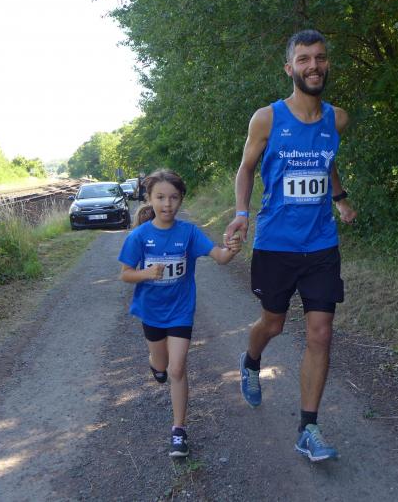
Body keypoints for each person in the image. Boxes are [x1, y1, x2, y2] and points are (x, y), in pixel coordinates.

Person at [224, 29, 357, 463]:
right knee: (274, 324)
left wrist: (340, 199)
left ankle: (308, 428)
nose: (313, 66)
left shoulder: (337, 119)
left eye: (320, 57)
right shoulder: (267, 119)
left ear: (327, 63)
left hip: (321, 244)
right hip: (276, 244)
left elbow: (326, 160)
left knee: (321, 332)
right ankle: (251, 360)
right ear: (289, 68)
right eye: (304, 59)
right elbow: (246, 169)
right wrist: (241, 213)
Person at [119, 168, 242, 458]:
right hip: (151, 312)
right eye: (160, 197)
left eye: (174, 197)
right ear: (149, 198)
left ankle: (179, 430)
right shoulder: (139, 236)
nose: (167, 204)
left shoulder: (189, 232)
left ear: (181, 199)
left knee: (177, 368)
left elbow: (221, 257)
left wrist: (232, 248)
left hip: (180, 312)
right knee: (162, 365)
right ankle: (155, 364)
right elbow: (125, 274)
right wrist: (147, 273)